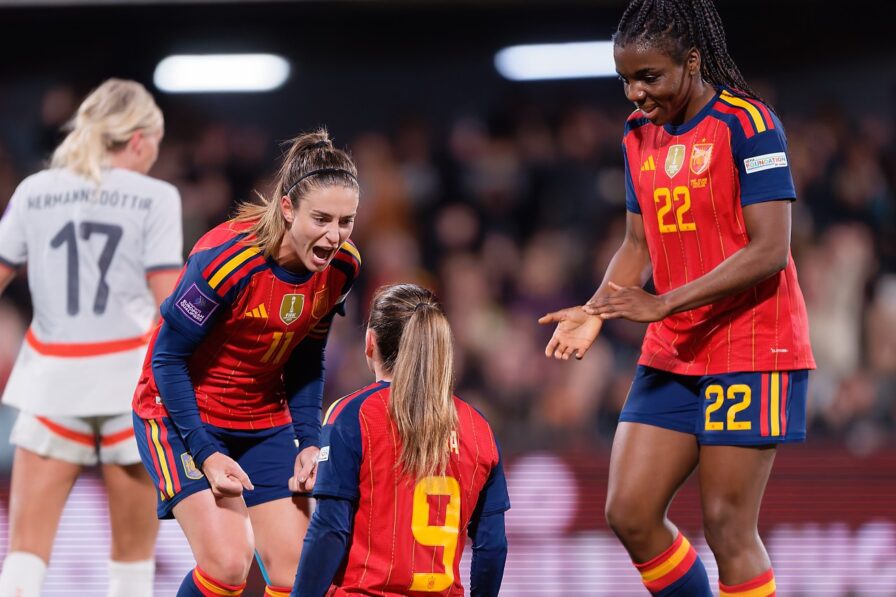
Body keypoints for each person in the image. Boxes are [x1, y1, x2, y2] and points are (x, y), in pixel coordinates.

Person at [541, 1, 815, 596]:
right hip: (675, 350)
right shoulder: (637, 134)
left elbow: (770, 250)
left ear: (692, 62)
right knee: (630, 512)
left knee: (726, 525)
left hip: (751, 343)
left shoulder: (749, 123)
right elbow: (637, 244)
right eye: (625, 80)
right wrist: (595, 311)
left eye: (649, 77)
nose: (635, 94)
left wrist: (664, 304)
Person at [0, 78, 182, 597]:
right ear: (141, 140)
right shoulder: (156, 197)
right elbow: (172, 306)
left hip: (52, 383)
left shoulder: (34, 192)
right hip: (132, 388)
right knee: (132, 570)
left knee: (24, 562)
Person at [132, 128, 361, 597]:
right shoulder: (226, 259)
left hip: (262, 417)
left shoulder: (343, 268)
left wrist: (308, 441)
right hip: (178, 412)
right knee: (228, 564)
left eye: (346, 221)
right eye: (321, 218)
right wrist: (206, 451)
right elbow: (167, 359)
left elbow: (306, 355)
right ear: (287, 208)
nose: (334, 235)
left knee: (300, 577)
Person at [293, 283, 510, 597]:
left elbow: (330, 529)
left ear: (370, 343)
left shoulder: (354, 415)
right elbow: (492, 546)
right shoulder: (479, 429)